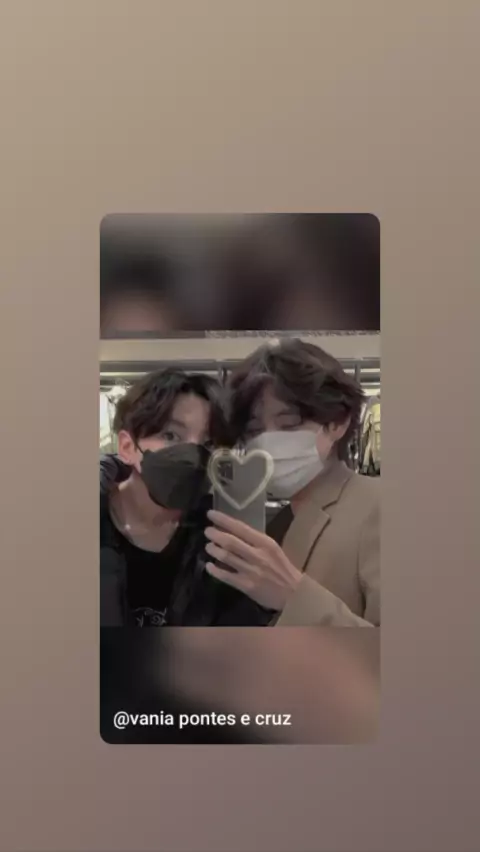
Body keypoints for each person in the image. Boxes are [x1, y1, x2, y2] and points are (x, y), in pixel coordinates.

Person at [204, 339, 380, 627]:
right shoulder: (276, 522)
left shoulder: (380, 507)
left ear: (337, 422)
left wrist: (293, 595)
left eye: (289, 424)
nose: (267, 440)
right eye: (254, 430)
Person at [100, 368, 273, 627]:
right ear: (127, 447)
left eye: (208, 443)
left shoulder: (222, 538)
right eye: (171, 435)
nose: (193, 455)